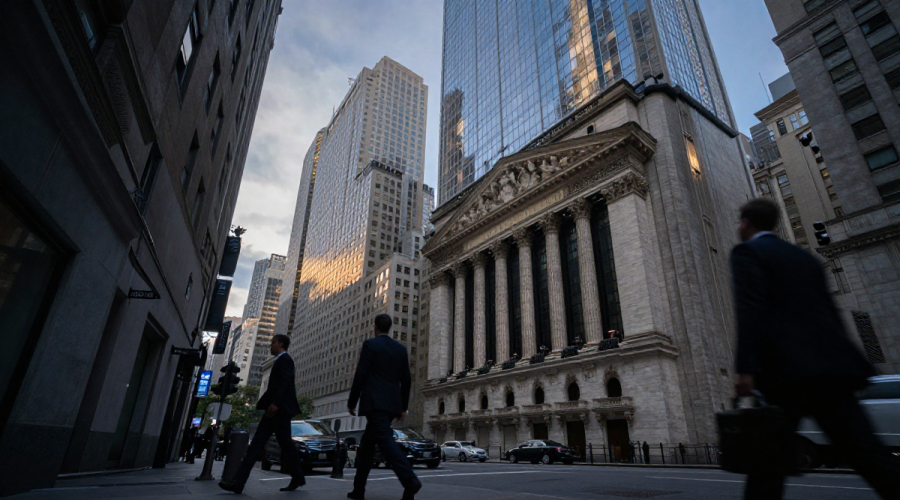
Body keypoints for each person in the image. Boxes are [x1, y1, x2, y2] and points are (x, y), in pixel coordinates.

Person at [731, 198, 899, 499]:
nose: (738, 227)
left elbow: (751, 311)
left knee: (767, 463)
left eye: (740, 221)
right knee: (867, 455)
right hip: (832, 370)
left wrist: (745, 369)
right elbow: (829, 311)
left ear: (747, 223)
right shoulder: (803, 256)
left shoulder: (748, 253)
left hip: (786, 374)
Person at [346, 314, 421, 500]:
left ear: (375, 327)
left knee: (386, 442)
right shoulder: (400, 349)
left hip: (374, 402)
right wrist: (403, 407)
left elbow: (361, 373)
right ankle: (358, 490)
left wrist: (352, 401)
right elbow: (406, 379)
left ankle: (410, 480)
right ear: (390, 328)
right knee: (367, 447)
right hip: (392, 403)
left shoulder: (371, 344)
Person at [219, 334, 304, 494]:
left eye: (273, 343)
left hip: (278, 411)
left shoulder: (286, 360)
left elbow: (286, 383)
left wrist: (275, 404)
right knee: (259, 446)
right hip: (273, 411)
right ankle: (238, 483)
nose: (270, 346)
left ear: (281, 344)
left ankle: (297, 476)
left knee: (280, 445)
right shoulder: (279, 360)